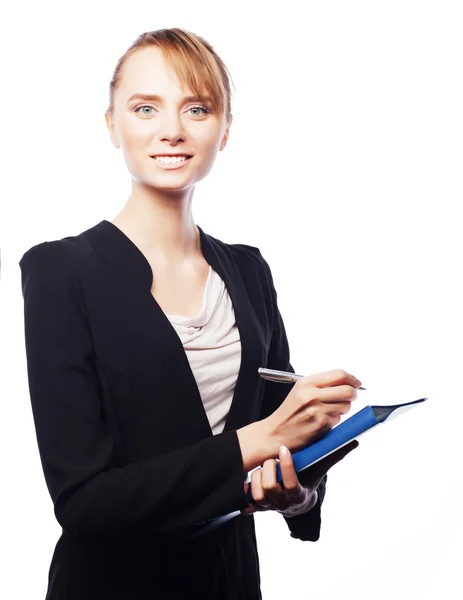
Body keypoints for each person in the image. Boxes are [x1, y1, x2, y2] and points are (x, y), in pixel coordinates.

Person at [19, 27, 361, 600]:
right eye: (145, 108)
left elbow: (284, 446)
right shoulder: (61, 272)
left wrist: (296, 491)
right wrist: (256, 440)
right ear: (112, 125)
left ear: (224, 130)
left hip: (229, 582)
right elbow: (84, 504)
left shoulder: (249, 271)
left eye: (196, 108)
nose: (171, 131)